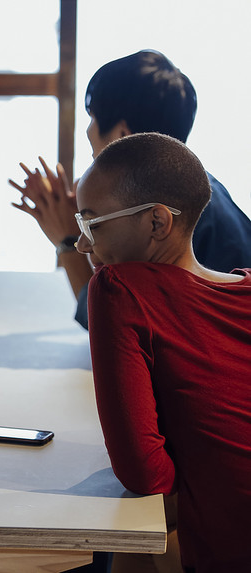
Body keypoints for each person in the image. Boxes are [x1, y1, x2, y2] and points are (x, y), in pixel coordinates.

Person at [77, 132, 251, 573]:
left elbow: (145, 474)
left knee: (135, 535)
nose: (82, 245)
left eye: (91, 226)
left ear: (156, 222)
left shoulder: (120, 288)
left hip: (226, 551)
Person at [9, 50, 251, 329]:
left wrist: (67, 239)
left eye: (92, 117)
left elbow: (112, 322)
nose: (88, 132)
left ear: (121, 136)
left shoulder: (155, 213)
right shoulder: (197, 190)